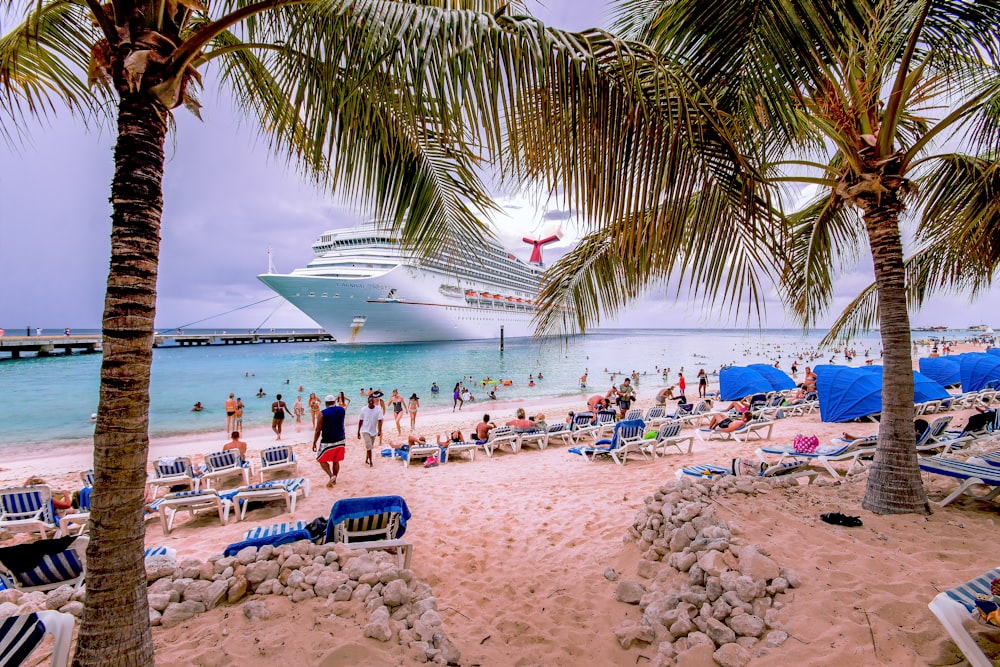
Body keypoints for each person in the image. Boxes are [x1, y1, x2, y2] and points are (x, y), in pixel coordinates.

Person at [314, 394, 347, 487]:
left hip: (328, 441)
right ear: (334, 402)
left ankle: (331, 475)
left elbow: (318, 430)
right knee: (336, 461)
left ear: (325, 403)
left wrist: (314, 442)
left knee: (320, 459)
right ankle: (334, 480)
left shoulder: (322, 413)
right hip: (341, 439)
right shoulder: (342, 410)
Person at [357, 394, 384, 467]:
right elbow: (360, 421)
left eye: (372, 401)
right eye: (370, 401)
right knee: (369, 445)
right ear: (368, 402)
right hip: (365, 430)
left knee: (370, 447)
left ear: (374, 401)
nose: (371, 402)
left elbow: (380, 421)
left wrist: (380, 430)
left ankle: (366, 459)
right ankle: (371, 462)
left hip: (373, 431)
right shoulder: (363, 409)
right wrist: (358, 432)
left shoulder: (378, 409)